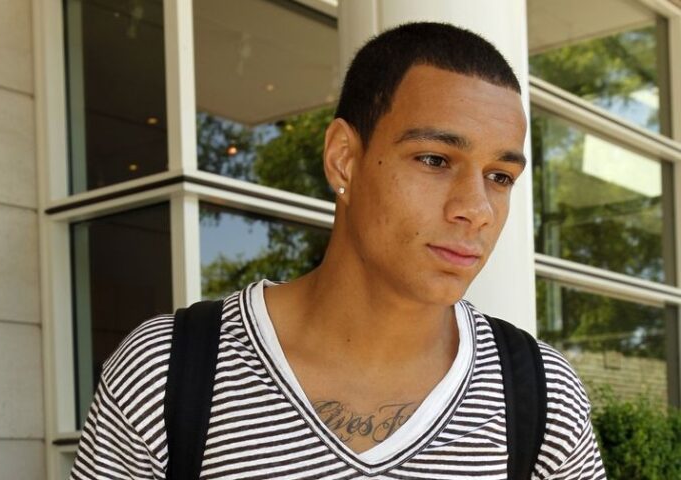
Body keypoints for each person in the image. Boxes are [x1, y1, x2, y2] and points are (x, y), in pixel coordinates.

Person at [70, 22, 606, 480]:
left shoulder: (541, 397)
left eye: (500, 176)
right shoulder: (169, 372)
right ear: (344, 158)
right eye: (435, 160)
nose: (476, 208)